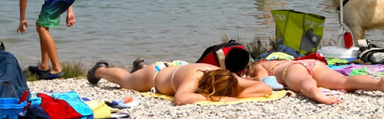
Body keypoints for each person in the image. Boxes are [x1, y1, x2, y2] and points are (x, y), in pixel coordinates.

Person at [86, 61, 272, 105]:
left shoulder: (227, 77)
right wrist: (222, 98)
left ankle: (140, 66)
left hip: (178, 68)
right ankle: (100, 70)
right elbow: (180, 98)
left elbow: (265, 88)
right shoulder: (195, 79)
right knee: (126, 80)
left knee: (132, 77)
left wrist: (237, 93)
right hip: (157, 74)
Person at [246, 58, 384, 105]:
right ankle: (379, 84)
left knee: (304, 81)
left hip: (291, 70)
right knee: (343, 80)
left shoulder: (259, 65)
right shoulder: (280, 59)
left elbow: (265, 79)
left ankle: (316, 93)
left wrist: (250, 77)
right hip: (312, 63)